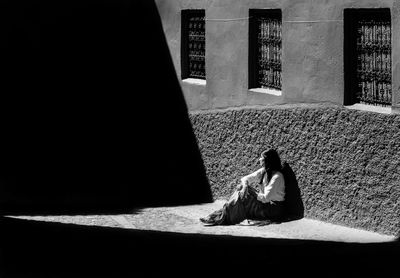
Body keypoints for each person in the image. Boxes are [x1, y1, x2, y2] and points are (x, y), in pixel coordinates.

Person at [200, 149, 285, 226]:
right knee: (241, 189)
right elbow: (245, 178)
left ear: (268, 160)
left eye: (262, 158)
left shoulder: (277, 177)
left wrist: (250, 191)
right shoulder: (264, 171)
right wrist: (245, 187)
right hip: (264, 204)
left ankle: (217, 217)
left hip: (271, 210)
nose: (259, 159)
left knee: (241, 198)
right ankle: (219, 216)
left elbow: (266, 198)